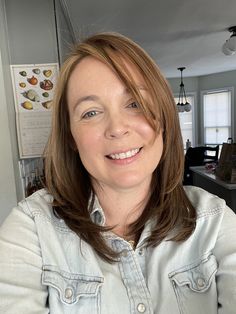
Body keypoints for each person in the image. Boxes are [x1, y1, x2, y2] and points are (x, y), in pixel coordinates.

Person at [0, 32, 236, 314]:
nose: (117, 127)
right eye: (90, 112)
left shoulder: (214, 221)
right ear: (71, 137)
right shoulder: (32, 228)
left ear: (162, 117)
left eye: (134, 103)